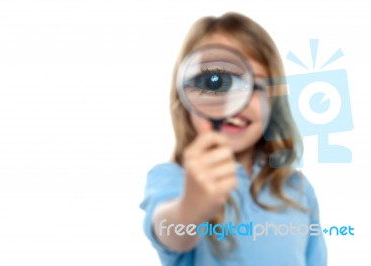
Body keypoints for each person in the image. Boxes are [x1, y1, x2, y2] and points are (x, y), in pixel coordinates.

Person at [140, 12, 327, 266]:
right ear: (185, 99)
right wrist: (191, 206)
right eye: (216, 82)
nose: (234, 102)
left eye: (257, 86)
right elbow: (170, 230)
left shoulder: (297, 188)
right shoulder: (172, 179)